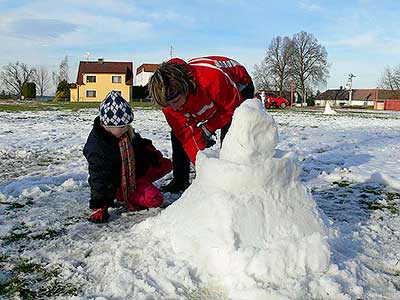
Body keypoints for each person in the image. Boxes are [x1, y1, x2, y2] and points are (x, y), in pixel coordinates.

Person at [148, 56, 254, 193]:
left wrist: (208, 127)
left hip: (239, 86)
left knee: (231, 132)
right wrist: (203, 169)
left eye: (175, 101)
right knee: (178, 134)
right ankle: (180, 180)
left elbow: (231, 108)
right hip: (203, 99)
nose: (173, 108)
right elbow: (187, 135)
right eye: (167, 104)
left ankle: (233, 178)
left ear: (183, 86)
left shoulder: (212, 79)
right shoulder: (169, 104)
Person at [83, 91, 172, 223]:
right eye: (123, 126)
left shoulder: (125, 135)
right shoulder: (98, 149)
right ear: (109, 125)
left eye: (127, 125)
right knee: (154, 199)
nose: (126, 129)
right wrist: (99, 206)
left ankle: (138, 188)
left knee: (166, 165)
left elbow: (140, 145)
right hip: (118, 184)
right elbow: (99, 178)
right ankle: (127, 196)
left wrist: (153, 156)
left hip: (134, 174)